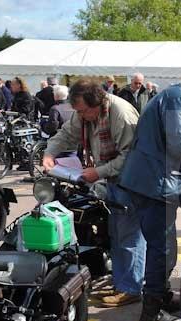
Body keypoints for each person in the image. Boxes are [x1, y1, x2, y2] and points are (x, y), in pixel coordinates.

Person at [118, 71, 181, 321]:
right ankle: (151, 313)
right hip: (155, 184)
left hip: (151, 182)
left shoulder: (173, 97)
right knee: (161, 250)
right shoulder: (177, 99)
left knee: (163, 247)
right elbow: (179, 144)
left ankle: (160, 297)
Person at [42, 79, 146, 307]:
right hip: (111, 180)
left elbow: (131, 157)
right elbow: (67, 133)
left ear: (96, 102)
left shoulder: (121, 114)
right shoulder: (86, 113)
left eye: (82, 110)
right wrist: (50, 153)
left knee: (129, 236)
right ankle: (122, 282)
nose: (79, 115)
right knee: (116, 234)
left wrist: (97, 172)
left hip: (132, 182)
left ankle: (131, 288)